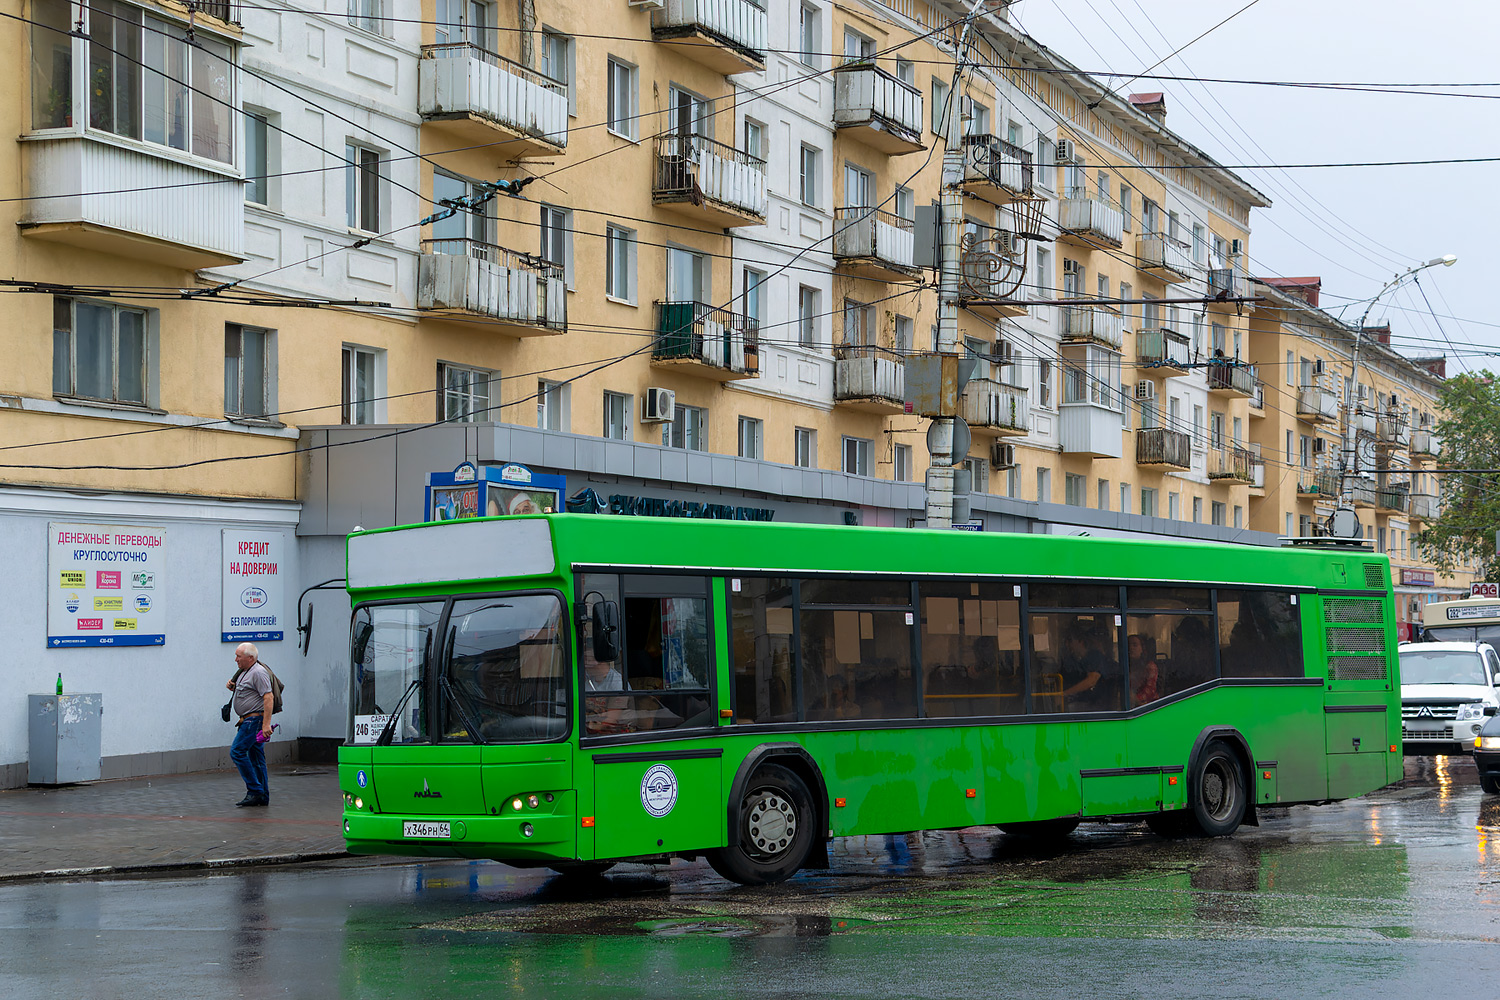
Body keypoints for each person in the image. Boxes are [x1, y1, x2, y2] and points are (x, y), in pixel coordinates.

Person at [225, 642, 274, 807]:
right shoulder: (246, 671)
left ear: (250, 658)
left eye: (239, 656)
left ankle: (254, 790)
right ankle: (262, 796)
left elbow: (268, 697)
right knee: (256, 757)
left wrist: (266, 724)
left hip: (254, 721)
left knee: (237, 752)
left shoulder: (258, 672)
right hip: (248, 719)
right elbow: (250, 692)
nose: (235, 659)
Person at [1059, 623, 1106, 710]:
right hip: (1073, 701)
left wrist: (1064, 694)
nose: (1067, 644)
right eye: (1065, 641)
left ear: (1080, 641)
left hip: (1093, 703)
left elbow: (1091, 681)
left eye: (1070, 641)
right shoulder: (1070, 659)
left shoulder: (1095, 656)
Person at [1129, 633, 1159, 706]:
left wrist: (1134, 698)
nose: (1131, 648)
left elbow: (1149, 691)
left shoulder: (1150, 667)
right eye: (1128, 645)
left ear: (1142, 648)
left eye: (1135, 645)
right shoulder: (1125, 667)